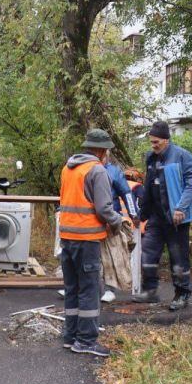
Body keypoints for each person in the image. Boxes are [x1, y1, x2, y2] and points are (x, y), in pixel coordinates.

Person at [58, 129, 124, 357]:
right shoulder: (97, 170)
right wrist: (118, 221)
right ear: (102, 151)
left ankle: (71, 336)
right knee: (89, 290)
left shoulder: (68, 168)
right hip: (87, 239)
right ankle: (86, 341)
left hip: (67, 237)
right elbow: (104, 209)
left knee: (72, 288)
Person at [132, 121, 192, 311]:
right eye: (151, 142)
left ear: (166, 140)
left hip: (176, 217)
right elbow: (148, 186)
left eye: (156, 142)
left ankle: (182, 294)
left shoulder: (182, 156)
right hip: (156, 216)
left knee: (178, 259)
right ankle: (150, 291)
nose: (153, 145)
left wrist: (181, 208)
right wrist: (141, 213)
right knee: (148, 252)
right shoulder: (150, 158)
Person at [100, 156, 136, 304]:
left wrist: (133, 213)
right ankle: (77, 287)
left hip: (111, 219)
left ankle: (110, 290)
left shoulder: (114, 171)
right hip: (89, 220)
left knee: (112, 255)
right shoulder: (87, 168)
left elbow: (126, 193)